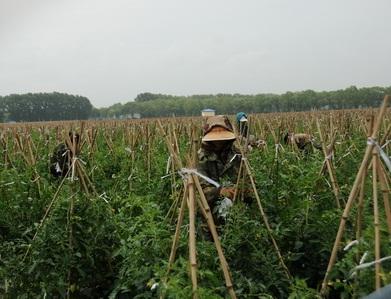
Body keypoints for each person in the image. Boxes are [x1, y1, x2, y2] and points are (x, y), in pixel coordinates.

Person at [198, 115, 241, 222]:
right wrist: (220, 192)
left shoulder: (237, 155)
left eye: (222, 138)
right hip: (208, 212)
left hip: (238, 209)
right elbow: (199, 190)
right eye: (215, 138)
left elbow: (248, 181)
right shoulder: (200, 158)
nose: (219, 141)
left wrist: (241, 190)